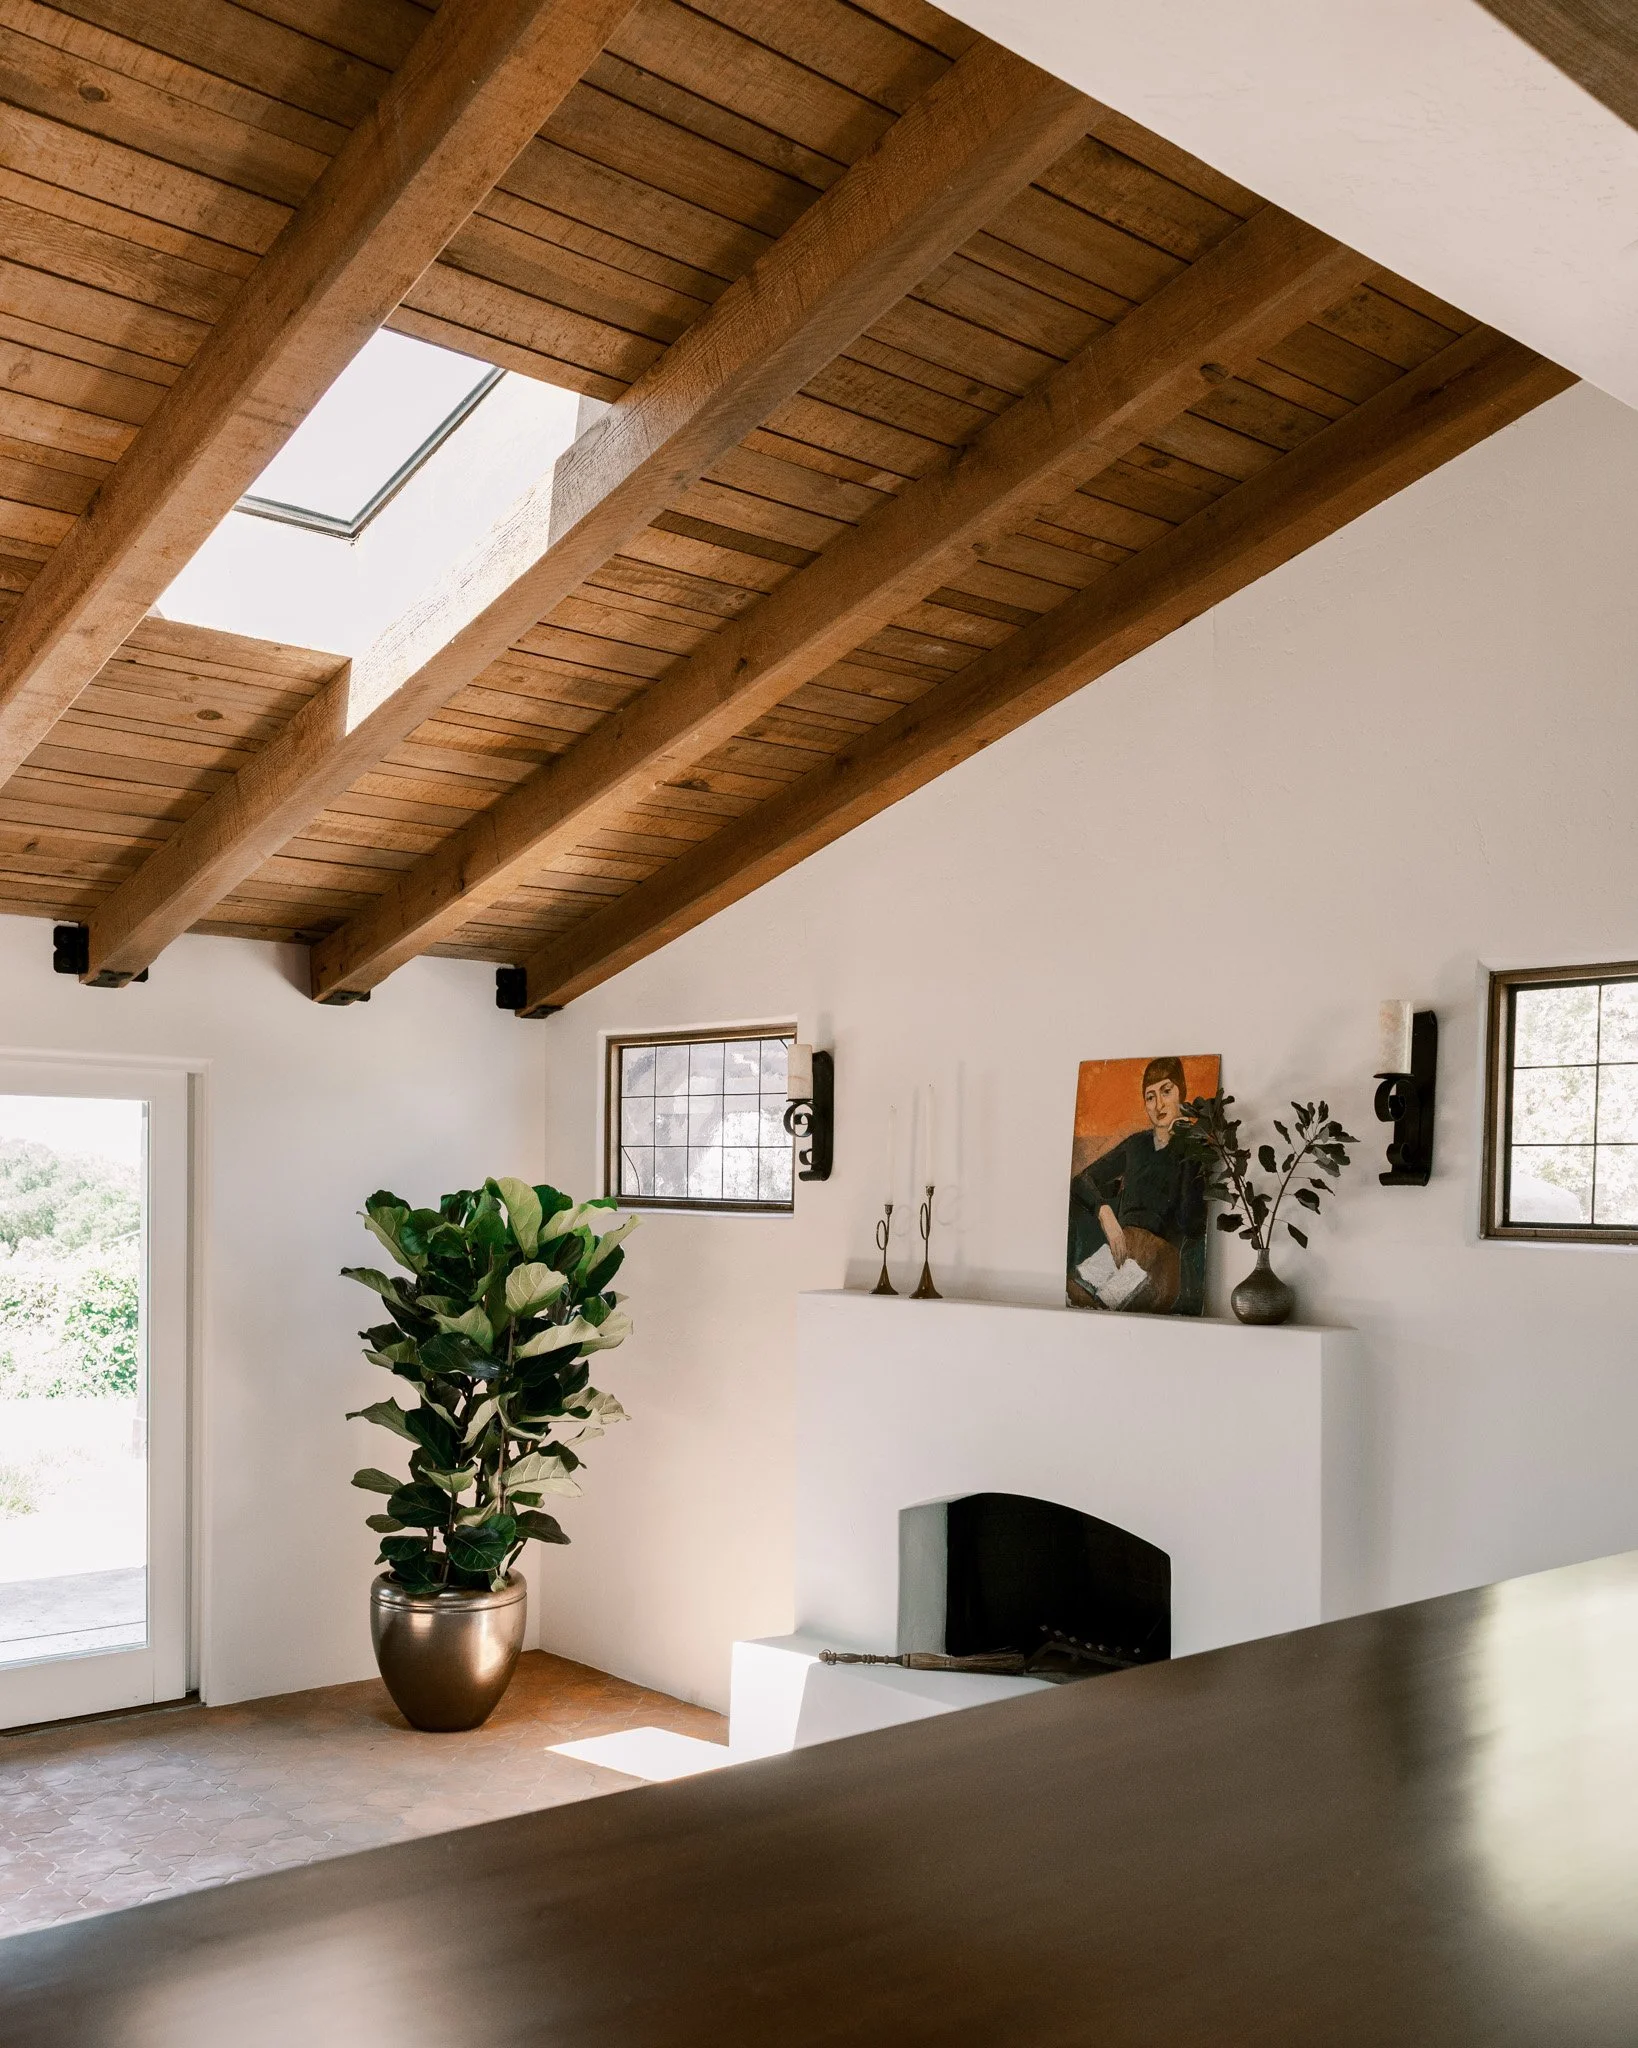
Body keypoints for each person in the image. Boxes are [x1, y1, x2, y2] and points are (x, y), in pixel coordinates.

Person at [1066, 1057, 1205, 1314]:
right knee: (1074, 1294)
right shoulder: (1136, 1145)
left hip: (1159, 1261)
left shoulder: (1195, 1149)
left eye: (1166, 1091)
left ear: (1181, 1094)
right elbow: (1081, 1181)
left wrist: (1187, 1146)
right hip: (1121, 1252)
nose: (1158, 1104)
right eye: (1150, 1097)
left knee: (1114, 1311)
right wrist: (1106, 1214)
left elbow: (1192, 1224)